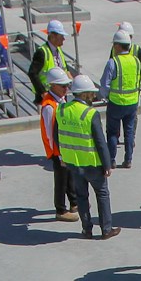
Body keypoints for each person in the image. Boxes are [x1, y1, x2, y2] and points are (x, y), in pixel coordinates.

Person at [54, 75, 118, 240]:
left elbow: (56, 136)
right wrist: (107, 164)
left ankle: (86, 229)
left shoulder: (61, 110)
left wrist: (62, 155)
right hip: (92, 163)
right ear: (83, 94)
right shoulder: (90, 114)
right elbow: (100, 142)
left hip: (73, 164)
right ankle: (106, 229)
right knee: (102, 194)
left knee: (82, 197)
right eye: (90, 93)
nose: (92, 96)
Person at [37, 67, 79, 222]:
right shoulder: (49, 106)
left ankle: (74, 203)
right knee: (61, 180)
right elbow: (49, 133)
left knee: (70, 176)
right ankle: (60, 209)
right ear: (53, 85)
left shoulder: (60, 100)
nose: (66, 89)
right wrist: (58, 153)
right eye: (63, 86)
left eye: (67, 85)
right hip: (57, 150)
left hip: (64, 147)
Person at [99, 30, 141, 169]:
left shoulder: (113, 62)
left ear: (118, 46)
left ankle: (111, 160)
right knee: (129, 132)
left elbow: (104, 84)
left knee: (112, 132)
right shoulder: (136, 61)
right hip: (132, 103)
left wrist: (105, 96)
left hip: (116, 103)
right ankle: (128, 160)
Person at [27, 19, 73, 102]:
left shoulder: (59, 50)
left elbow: (65, 69)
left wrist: (75, 86)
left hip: (60, 95)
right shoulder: (41, 52)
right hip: (47, 96)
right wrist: (42, 93)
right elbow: (32, 73)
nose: (63, 38)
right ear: (52, 36)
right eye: (61, 36)